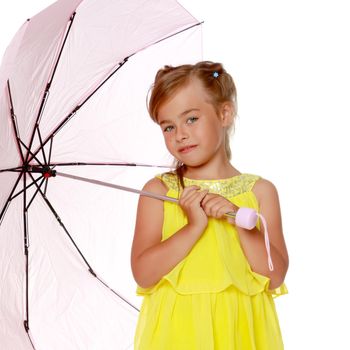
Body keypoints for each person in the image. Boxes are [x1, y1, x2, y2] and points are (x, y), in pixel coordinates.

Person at [131, 61, 289, 349]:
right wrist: (193, 227)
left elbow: (275, 275)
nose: (180, 134)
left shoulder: (260, 192)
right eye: (168, 126)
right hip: (178, 334)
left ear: (224, 113)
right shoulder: (159, 192)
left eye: (191, 119)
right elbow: (143, 273)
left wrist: (240, 222)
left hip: (241, 331)